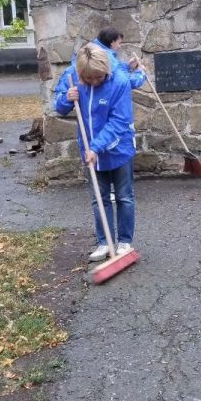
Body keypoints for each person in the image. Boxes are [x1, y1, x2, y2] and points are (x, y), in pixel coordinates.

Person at [55, 42, 136, 262]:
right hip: (90, 152)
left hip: (118, 149)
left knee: (124, 197)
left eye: (98, 78)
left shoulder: (119, 81)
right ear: (81, 73)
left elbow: (119, 121)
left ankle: (124, 241)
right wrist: (66, 98)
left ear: (106, 71)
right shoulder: (73, 76)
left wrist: (96, 148)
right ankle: (104, 242)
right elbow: (59, 108)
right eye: (88, 79)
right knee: (99, 198)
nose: (94, 82)